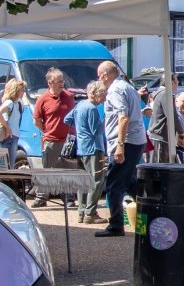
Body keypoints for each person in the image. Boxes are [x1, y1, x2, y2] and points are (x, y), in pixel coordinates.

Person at [95, 61, 148, 238]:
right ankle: (147, 220)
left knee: (114, 185)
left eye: (99, 76)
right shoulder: (127, 86)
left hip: (127, 142)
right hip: (135, 140)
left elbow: (123, 117)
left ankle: (116, 225)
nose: (99, 80)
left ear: (105, 75)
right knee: (132, 184)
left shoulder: (116, 90)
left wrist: (120, 146)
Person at [32, 67, 77, 206]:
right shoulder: (43, 99)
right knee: (47, 170)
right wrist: (47, 130)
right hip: (51, 140)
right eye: (59, 81)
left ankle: (69, 198)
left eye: (62, 80)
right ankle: (41, 198)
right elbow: (37, 120)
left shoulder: (69, 96)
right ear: (50, 83)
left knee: (69, 171)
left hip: (68, 141)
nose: (62, 83)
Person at [66, 80, 107, 223]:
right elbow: (96, 130)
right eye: (103, 94)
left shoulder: (79, 106)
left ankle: (81, 212)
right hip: (93, 148)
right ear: (96, 94)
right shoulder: (92, 108)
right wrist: (105, 122)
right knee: (96, 180)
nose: (105, 97)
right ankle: (90, 213)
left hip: (81, 148)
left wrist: (80, 129)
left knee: (82, 181)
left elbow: (67, 119)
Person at [146, 72, 181, 164]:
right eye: (177, 81)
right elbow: (171, 116)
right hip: (159, 138)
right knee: (159, 169)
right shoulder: (165, 94)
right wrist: (181, 132)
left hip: (161, 138)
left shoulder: (162, 93)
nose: (178, 84)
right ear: (171, 83)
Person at [0, 79, 24, 170]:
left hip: (14, 136)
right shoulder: (9, 103)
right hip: (8, 137)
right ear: (16, 90)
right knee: (5, 167)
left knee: (10, 166)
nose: (23, 92)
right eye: (22, 90)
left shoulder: (18, 103)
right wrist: (7, 127)